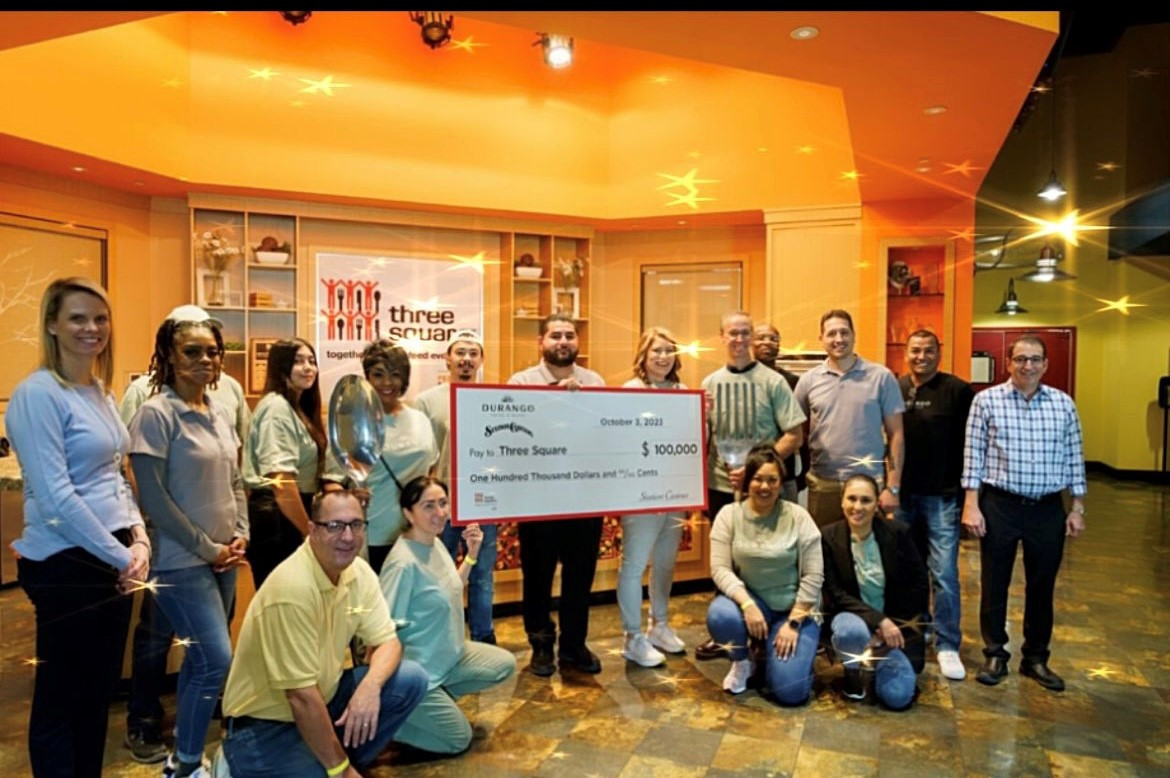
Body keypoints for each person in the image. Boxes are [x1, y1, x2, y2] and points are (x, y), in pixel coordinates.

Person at [6, 277, 151, 777]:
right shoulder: (37, 394)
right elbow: (55, 494)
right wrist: (120, 556)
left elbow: (115, 472)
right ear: (51, 323)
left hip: (114, 554)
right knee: (60, 701)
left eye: (100, 317)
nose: (92, 328)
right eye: (77, 318)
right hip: (66, 562)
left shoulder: (99, 391)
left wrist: (139, 538)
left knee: (97, 695)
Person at [119, 304, 251, 764]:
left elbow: (236, 479)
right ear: (170, 357)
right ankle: (186, 762)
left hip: (225, 558)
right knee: (217, 659)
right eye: (192, 351)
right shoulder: (155, 414)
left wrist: (240, 535)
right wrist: (208, 547)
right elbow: (152, 499)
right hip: (182, 559)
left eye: (213, 352)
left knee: (201, 663)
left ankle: (189, 757)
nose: (205, 360)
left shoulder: (218, 411)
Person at [220, 490, 428, 777]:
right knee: (331, 769)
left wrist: (370, 688)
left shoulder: (359, 572)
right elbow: (300, 697)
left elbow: (389, 642)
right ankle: (253, 764)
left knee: (411, 679)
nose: (347, 536)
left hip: (323, 702)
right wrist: (341, 770)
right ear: (312, 530)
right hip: (263, 726)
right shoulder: (292, 588)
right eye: (334, 526)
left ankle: (326, 759)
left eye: (356, 525)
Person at [962, 335, 1087, 692]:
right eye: (1020, 359)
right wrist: (971, 503)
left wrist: (1077, 506)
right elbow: (974, 456)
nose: (1027, 366)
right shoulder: (986, 401)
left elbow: (1074, 458)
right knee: (994, 581)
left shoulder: (1063, 405)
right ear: (1008, 363)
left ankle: (1035, 658)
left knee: (1042, 584)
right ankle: (995, 652)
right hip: (1000, 504)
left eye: (1034, 360)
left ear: (1045, 364)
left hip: (1048, 507)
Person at [695, 312, 805, 662]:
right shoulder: (708, 384)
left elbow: (795, 435)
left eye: (746, 333)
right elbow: (698, 437)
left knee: (765, 555)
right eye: (733, 333)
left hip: (763, 489)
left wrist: (755, 469)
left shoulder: (773, 382)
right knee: (724, 559)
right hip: (720, 485)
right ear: (721, 337)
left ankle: (769, 624)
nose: (740, 339)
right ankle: (726, 632)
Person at [379, 476, 516, 754]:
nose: (440, 513)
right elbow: (383, 627)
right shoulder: (403, 563)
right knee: (458, 740)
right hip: (417, 673)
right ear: (409, 513)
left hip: (449, 657)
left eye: (443, 503)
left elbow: (450, 588)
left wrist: (471, 556)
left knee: (504, 665)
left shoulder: (434, 543)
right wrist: (381, 682)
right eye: (429, 506)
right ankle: (395, 719)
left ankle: (431, 706)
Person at [507, 313, 606, 676]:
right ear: (541, 342)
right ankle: (541, 646)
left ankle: (574, 646)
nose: (563, 342)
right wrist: (555, 400)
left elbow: (603, 433)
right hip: (539, 499)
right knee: (537, 576)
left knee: (580, 577)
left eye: (569, 335)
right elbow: (517, 431)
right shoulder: (520, 381)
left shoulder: (595, 381)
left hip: (585, 498)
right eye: (555, 336)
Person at [706, 445, 823, 705]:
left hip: (792, 611)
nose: (764, 486)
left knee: (791, 693)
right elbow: (719, 569)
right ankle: (742, 662)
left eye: (772, 480)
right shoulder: (729, 515)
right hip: (752, 604)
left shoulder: (798, 517)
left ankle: (780, 655)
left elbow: (814, 576)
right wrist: (747, 604)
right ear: (747, 481)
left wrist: (793, 623)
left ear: (781, 484)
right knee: (720, 615)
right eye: (758, 478)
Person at [895, 330, 974, 681]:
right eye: (915, 351)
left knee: (943, 573)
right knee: (908, 571)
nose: (921, 356)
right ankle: (916, 629)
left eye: (929, 350)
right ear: (906, 353)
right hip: (902, 495)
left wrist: (971, 496)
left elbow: (973, 446)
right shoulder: (894, 388)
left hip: (942, 495)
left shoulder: (957, 391)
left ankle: (947, 644)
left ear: (939, 353)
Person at [414, 329, 499, 644]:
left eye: (473, 353)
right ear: (447, 358)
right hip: (441, 504)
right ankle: (443, 636)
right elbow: (422, 456)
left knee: (481, 575)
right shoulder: (426, 402)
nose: (466, 359)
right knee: (441, 573)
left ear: (481, 359)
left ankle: (483, 635)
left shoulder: (493, 398)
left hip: (484, 501)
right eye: (460, 353)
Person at [821, 474, 929, 710]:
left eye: (866, 500)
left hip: (894, 628)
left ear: (877, 503)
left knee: (897, 697)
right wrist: (878, 621)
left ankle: (879, 666)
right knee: (849, 630)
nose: (857, 507)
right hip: (856, 620)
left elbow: (918, 585)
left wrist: (892, 626)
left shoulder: (898, 533)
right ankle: (853, 672)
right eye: (851, 499)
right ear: (842, 501)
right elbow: (836, 593)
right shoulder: (828, 537)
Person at [242, 338, 342, 588]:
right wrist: (309, 531)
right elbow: (281, 482)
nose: (308, 368)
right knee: (283, 601)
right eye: (298, 362)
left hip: (293, 511)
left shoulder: (297, 407)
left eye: (311, 361)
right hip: (277, 516)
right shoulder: (277, 408)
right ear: (280, 367)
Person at [617, 327, 689, 667]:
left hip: (674, 492)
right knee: (634, 565)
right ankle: (633, 636)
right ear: (643, 356)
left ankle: (659, 624)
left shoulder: (684, 392)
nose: (662, 357)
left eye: (668, 351)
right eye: (656, 351)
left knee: (665, 563)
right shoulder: (630, 391)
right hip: (640, 496)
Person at [794, 309, 905, 527]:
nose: (838, 339)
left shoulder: (881, 377)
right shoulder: (808, 381)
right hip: (823, 483)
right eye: (832, 334)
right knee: (824, 553)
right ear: (821, 339)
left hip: (868, 483)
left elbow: (897, 434)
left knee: (869, 555)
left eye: (844, 333)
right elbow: (794, 430)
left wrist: (893, 487)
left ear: (854, 335)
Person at [360, 338, 439, 574]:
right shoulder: (355, 422)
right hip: (375, 534)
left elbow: (431, 468)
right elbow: (333, 481)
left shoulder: (419, 419)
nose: (387, 383)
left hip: (418, 531)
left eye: (395, 374)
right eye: (378, 374)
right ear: (367, 378)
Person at [750, 322, 809, 501]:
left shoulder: (793, 382)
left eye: (773, 339)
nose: (767, 342)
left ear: (779, 345)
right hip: (750, 472)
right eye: (761, 338)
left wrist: (803, 473)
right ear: (750, 342)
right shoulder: (741, 380)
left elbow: (802, 431)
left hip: (785, 472)